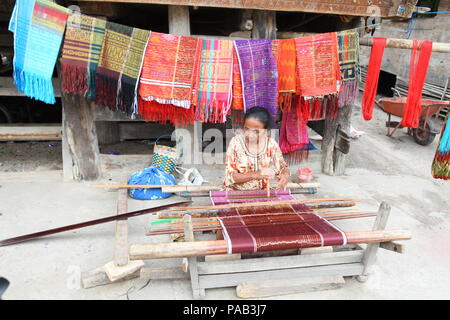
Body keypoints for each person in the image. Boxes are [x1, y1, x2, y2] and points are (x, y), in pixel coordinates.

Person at [223, 106, 290, 191]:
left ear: (266, 130)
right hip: (237, 193)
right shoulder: (236, 143)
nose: (250, 134)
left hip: (265, 193)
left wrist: (285, 175)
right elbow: (229, 177)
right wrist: (254, 175)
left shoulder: (271, 144)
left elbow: (283, 167)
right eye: (246, 129)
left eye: (256, 131)